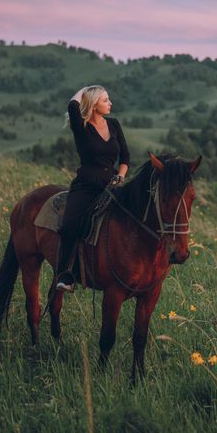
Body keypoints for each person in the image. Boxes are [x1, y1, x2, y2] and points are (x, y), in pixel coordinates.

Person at [55, 85, 130, 292]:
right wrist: (86, 89)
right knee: (70, 224)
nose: (110, 103)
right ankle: (66, 274)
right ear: (94, 104)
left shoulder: (114, 124)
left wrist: (120, 176)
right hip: (86, 186)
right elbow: (73, 104)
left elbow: (125, 158)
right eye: (105, 100)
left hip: (112, 186)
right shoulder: (82, 127)